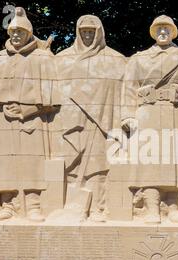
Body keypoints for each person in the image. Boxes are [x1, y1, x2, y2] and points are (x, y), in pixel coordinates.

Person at [121, 15, 178, 224]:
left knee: (176, 161)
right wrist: (128, 116)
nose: (163, 32)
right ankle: (152, 208)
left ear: (173, 32)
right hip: (147, 112)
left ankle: (174, 207)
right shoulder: (139, 58)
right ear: (153, 32)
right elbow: (128, 88)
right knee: (149, 160)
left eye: (167, 29)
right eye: (159, 29)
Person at [0, 7, 60, 221]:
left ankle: (33, 205)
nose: (16, 36)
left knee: (32, 163)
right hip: (1, 120)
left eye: (20, 32)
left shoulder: (43, 58)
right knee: (3, 163)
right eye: (12, 32)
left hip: (32, 119)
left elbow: (52, 99)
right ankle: (7, 204)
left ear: (28, 34)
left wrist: (28, 109)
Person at [54, 15, 126, 222]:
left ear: (99, 33)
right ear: (77, 32)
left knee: (98, 166)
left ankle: (98, 208)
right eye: (83, 30)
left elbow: (124, 91)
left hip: (102, 123)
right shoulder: (62, 59)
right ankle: (71, 206)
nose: (87, 34)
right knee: (71, 163)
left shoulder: (116, 59)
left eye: (91, 31)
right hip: (71, 122)